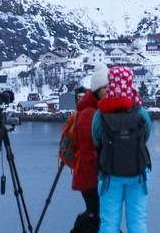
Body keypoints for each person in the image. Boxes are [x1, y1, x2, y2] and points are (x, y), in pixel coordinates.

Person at [92, 66, 151, 233]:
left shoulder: (100, 114)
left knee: (109, 223)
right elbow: (146, 136)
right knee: (138, 222)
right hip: (138, 173)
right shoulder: (140, 112)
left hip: (110, 175)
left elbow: (96, 139)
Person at [72, 64, 108, 226]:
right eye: (105, 88)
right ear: (97, 89)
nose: (108, 91)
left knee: (97, 216)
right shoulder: (89, 113)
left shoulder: (94, 109)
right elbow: (89, 151)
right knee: (96, 216)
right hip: (90, 178)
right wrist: (99, 177)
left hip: (91, 176)